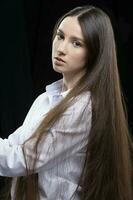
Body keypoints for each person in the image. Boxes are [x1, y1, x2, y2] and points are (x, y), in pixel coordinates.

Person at [0, 5, 133, 200]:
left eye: (76, 43)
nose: (61, 49)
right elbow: (14, 145)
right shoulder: (46, 99)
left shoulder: (83, 108)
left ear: (94, 53)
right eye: (60, 36)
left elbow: (22, 160)